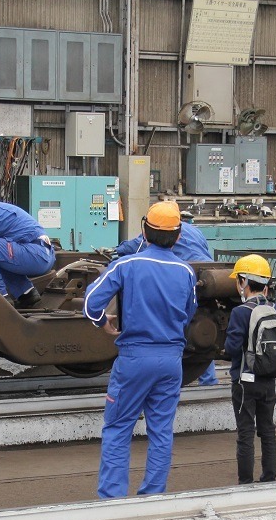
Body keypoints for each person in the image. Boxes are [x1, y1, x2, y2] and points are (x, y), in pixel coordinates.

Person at [84, 201, 198, 498]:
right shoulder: (186, 271)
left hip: (134, 358)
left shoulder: (126, 265)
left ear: (144, 231)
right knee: (161, 431)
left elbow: (91, 303)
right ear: (178, 236)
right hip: (171, 360)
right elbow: (189, 313)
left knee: (118, 428)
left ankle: (113, 498)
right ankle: (153, 495)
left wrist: (102, 322)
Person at [117, 217, 218, 386]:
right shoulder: (195, 231)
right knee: (202, 324)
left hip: (182, 277)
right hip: (206, 274)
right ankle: (209, 380)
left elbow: (135, 246)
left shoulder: (160, 228)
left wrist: (117, 249)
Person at [223, 254, 276, 484]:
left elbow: (231, 348)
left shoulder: (240, 312)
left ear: (244, 282)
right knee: (268, 430)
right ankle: (269, 478)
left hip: (244, 381)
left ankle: (245, 482)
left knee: (245, 432)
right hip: (268, 379)